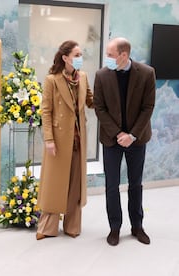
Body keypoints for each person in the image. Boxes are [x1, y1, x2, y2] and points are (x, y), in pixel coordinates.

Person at [93, 37, 156, 246]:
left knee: (135, 184)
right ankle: (114, 227)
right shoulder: (101, 75)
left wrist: (132, 135)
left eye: (110, 55)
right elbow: (99, 108)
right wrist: (119, 133)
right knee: (112, 185)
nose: (107, 58)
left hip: (137, 140)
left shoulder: (147, 73)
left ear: (124, 55)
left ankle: (137, 226)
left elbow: (148, 107)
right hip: (111, 140)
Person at [36, 40, 94, 240]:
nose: (80, 58)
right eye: (77, 55)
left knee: (75, 184)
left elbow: (91, 101)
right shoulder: (52, 79)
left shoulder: (84, 77)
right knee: (54, 182)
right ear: (65, 58)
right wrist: (49, 139)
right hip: (59, 139)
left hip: (79, 139)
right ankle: (47, 227)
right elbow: (46, 111)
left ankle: (72, 226)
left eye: (81, 55)